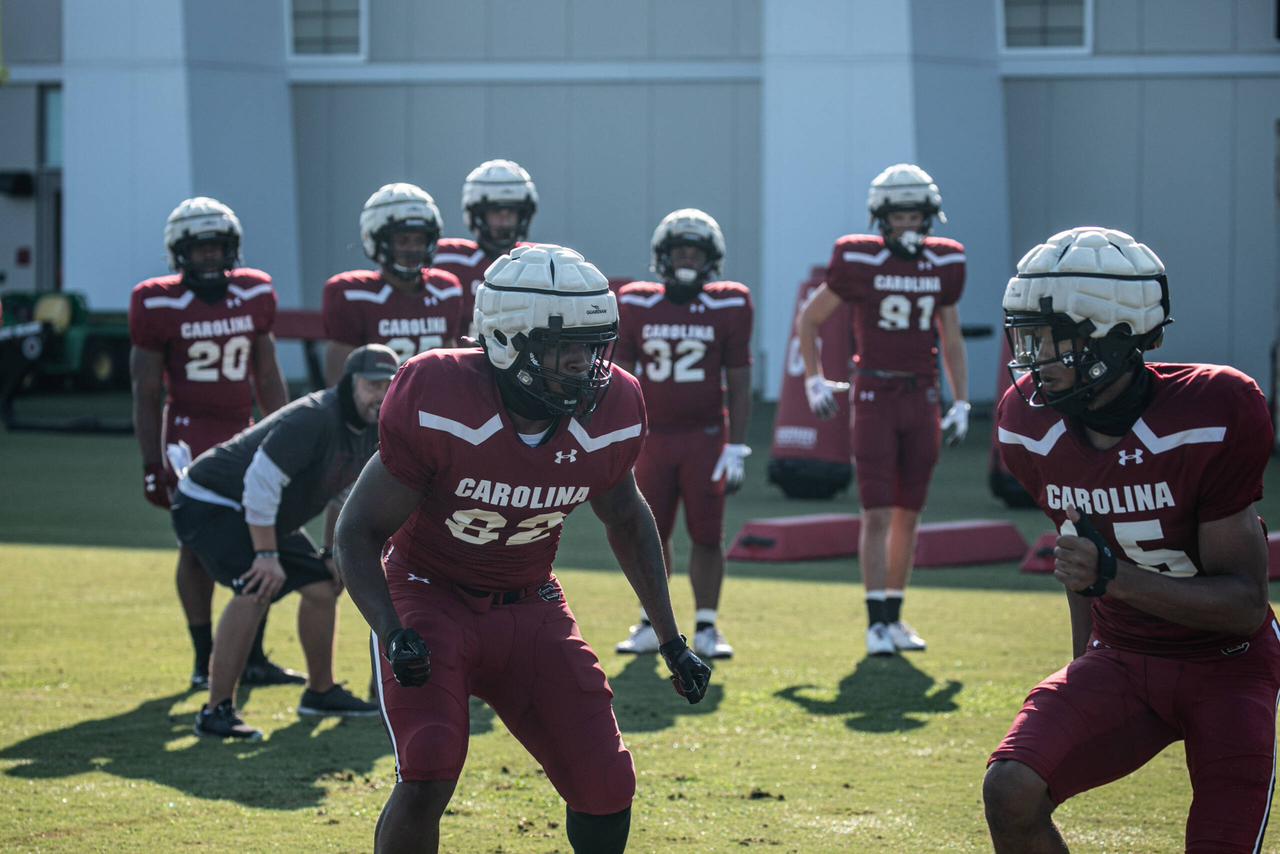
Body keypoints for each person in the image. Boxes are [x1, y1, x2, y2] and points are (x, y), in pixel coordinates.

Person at [335, 244, 711, 854]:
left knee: (606, 779)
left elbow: (629, 520)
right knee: (429, 764)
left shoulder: (614, 406)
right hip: (428, 595)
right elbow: (356, 532)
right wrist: (390, 627)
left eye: (593, 346)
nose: (585, 363)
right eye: (566, 347)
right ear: (509, 341)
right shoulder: (439, 393)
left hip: (532, 604)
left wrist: (670, 639)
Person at [983, 227, 1280, 852]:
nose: (1031, 358)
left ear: (1111, 338)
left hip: (1227, 668)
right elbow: (1077, 559)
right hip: (1122, 656)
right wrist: (1083, 660)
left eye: (1049, 339)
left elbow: (1245, 606)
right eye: (1024, 336)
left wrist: (1113, 577)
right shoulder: (1027, 422)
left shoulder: (1214, 407)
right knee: (1010, 787)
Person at [171, 344, 400, 740]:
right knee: (257, 584)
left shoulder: (374, 429)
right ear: (349, 384)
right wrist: (265, 555)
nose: (380, 395)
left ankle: (320, 691)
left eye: (388, 385)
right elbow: (260, 481)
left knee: (322, 587)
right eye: (371, 385)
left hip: (261, 511)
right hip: (209, 500)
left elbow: (344, 496)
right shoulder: (315, 417)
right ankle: (215, 711)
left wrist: (331, 553)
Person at [796, 163, 969, 656]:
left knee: (909, 513)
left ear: (930, 216)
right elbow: (809, 319)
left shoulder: (943, 263)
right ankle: (875, 622)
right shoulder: (859, 259)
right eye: (900, 215)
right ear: (882, 217)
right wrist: (812, 378)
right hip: (874, 393)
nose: (909, 224)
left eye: (917, 214)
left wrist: (959, 399)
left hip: (921, 394)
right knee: (875, 512)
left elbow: (951, 338)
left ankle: (894, 616)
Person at [128, 197, 300, 690]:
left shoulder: (253, 292)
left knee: (259, 536)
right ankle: (205, 658)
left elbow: (267, 374)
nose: (208, 257)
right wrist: (149, 460)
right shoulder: (155, 301)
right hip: (186, 434)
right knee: (195, 547)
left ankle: (251, 657)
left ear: (232, 249)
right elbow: (144, 389)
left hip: (241, 429)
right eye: (198, 249)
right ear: (178, 253)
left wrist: (283, 431)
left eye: (216, 247)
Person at [612, 209, 752, 660]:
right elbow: (621, 377)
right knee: (649, 529)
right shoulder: (635, 301)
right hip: (651, 436)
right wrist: (619, 436)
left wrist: (737, 444)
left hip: (706, 435)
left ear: (712, 259)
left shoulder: (729, 303)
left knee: (707, 532)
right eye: (680, 251)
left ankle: (707, 625)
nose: (688, 259)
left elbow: (740, 377)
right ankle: (651, 622)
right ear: (663, 257)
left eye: (696, 251)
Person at [321, 183, 463, 385]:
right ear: (376, 240)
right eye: (403, 241)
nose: (413, 249)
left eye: (420, 240)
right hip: (377, 408)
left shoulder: (445, 290)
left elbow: (452, 370)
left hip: (435, 405)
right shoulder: (352, 295)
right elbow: (340, 386)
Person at [432, 159, 538, 338]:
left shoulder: (537, 259)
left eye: (511, 213)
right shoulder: (445, 259)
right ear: (477, 215)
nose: (504, 222)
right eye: (496, 213)